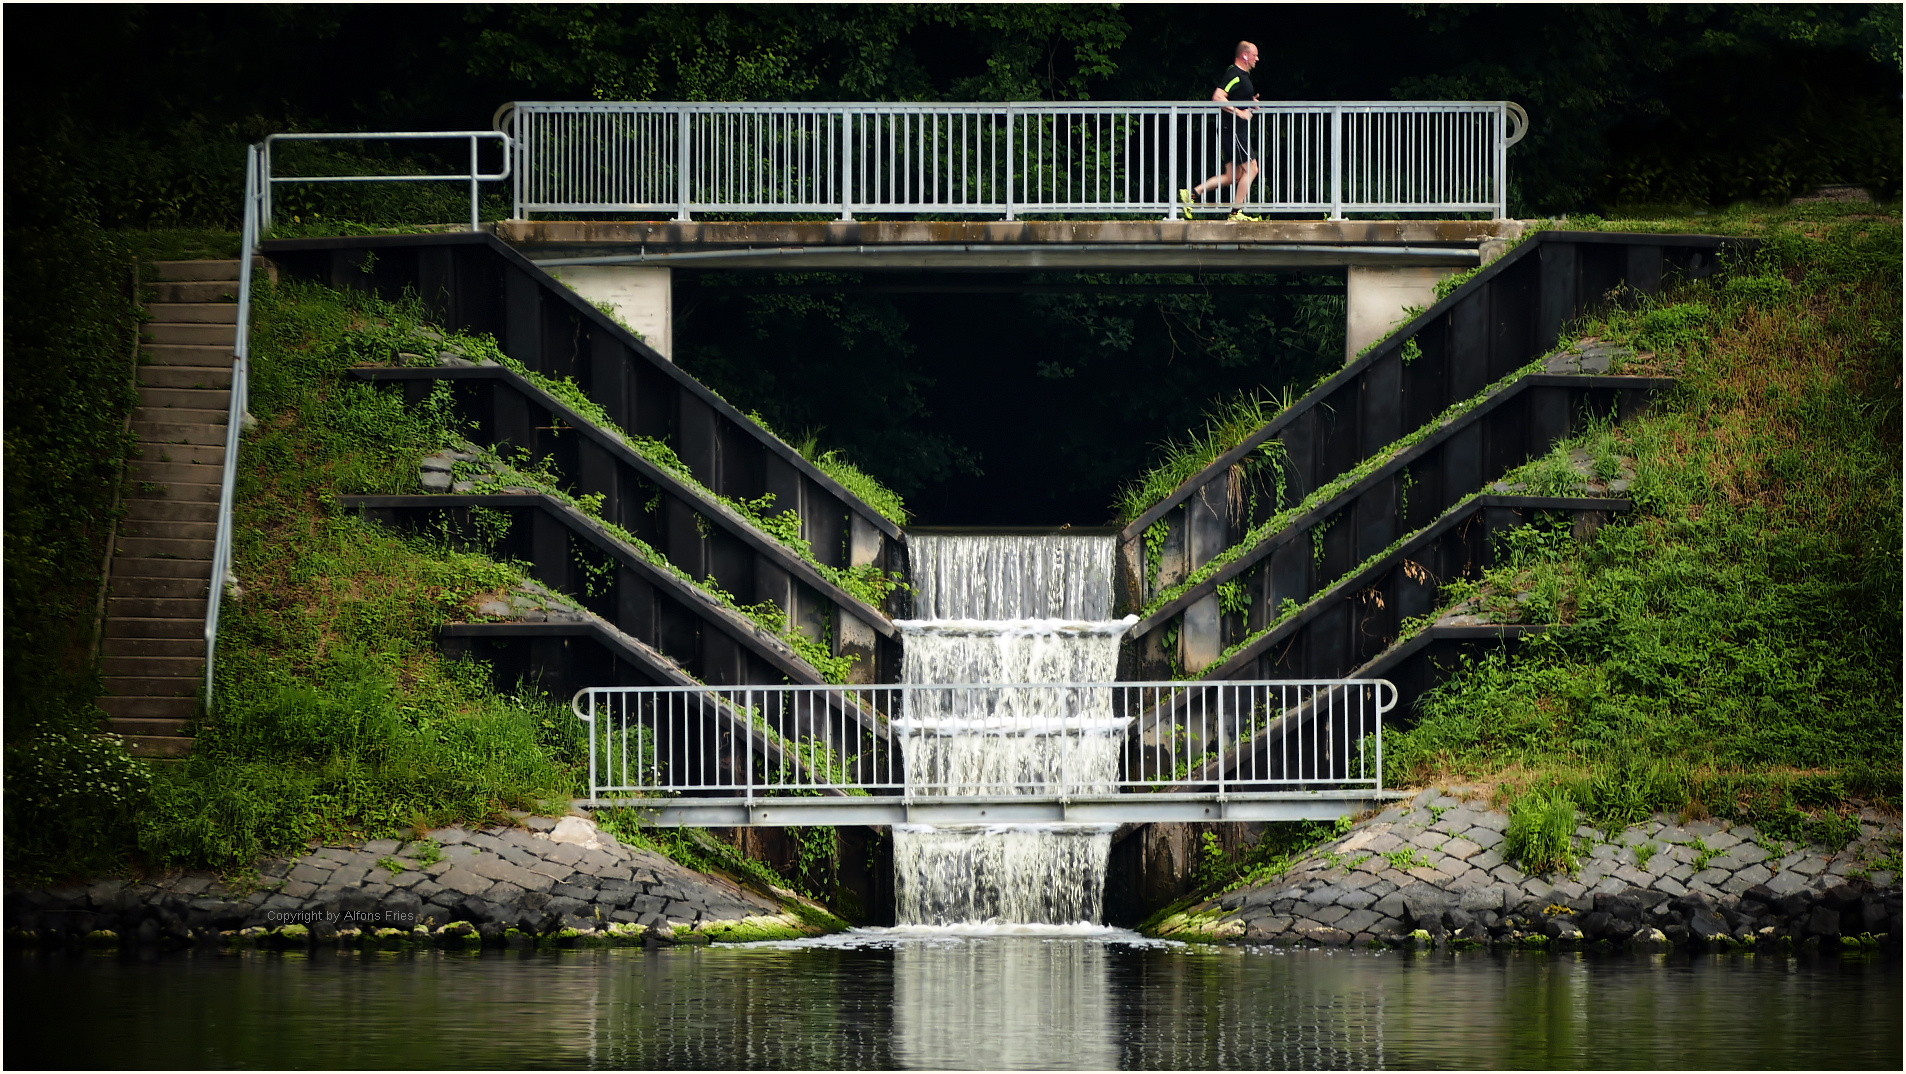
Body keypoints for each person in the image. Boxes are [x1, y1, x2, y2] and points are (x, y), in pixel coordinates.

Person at [1181, 41, 1262, 221]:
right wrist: (1239, 112)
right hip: (1234, 130)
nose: (1258, 58)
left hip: (1232, 130)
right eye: (1255, 55)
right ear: (1245, 56)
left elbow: (1235, 96)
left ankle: (1193, 194)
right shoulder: (1234, 73)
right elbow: (1218, 97)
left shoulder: (1241, 75)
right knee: (1253, 169)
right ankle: (1236, 213)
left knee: (1232, 176)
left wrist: (1250, 103)